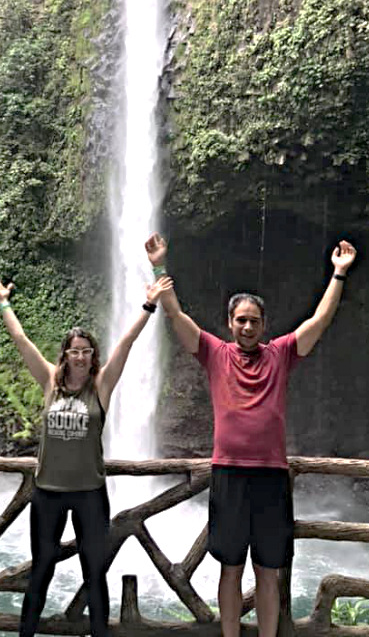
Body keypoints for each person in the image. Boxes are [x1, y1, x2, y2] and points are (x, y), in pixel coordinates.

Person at [144, 233, 357, 637]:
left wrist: (339, 273)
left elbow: (319, 321)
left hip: (271, 475)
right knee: (230, 566)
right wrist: (159, 266)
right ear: (230, 323)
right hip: (228, 473)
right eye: (240, 320)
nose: (246, 326)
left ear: (264, 325)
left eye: (253, 321)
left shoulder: (281, 354)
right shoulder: (214, 353)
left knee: (267, 569)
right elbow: (175, 315)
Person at [0, 272, 172, 637]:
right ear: (65, 355)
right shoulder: (49, 381)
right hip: (48, 493)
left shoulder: (101, 385)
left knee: (94, 572)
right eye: (75, 351)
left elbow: (127, 343)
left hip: (89, 494)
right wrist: (3, 301)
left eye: (86, 351)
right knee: (42, 570)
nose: (81, 357)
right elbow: (21, 340)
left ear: (92, 355)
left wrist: (149, 304)